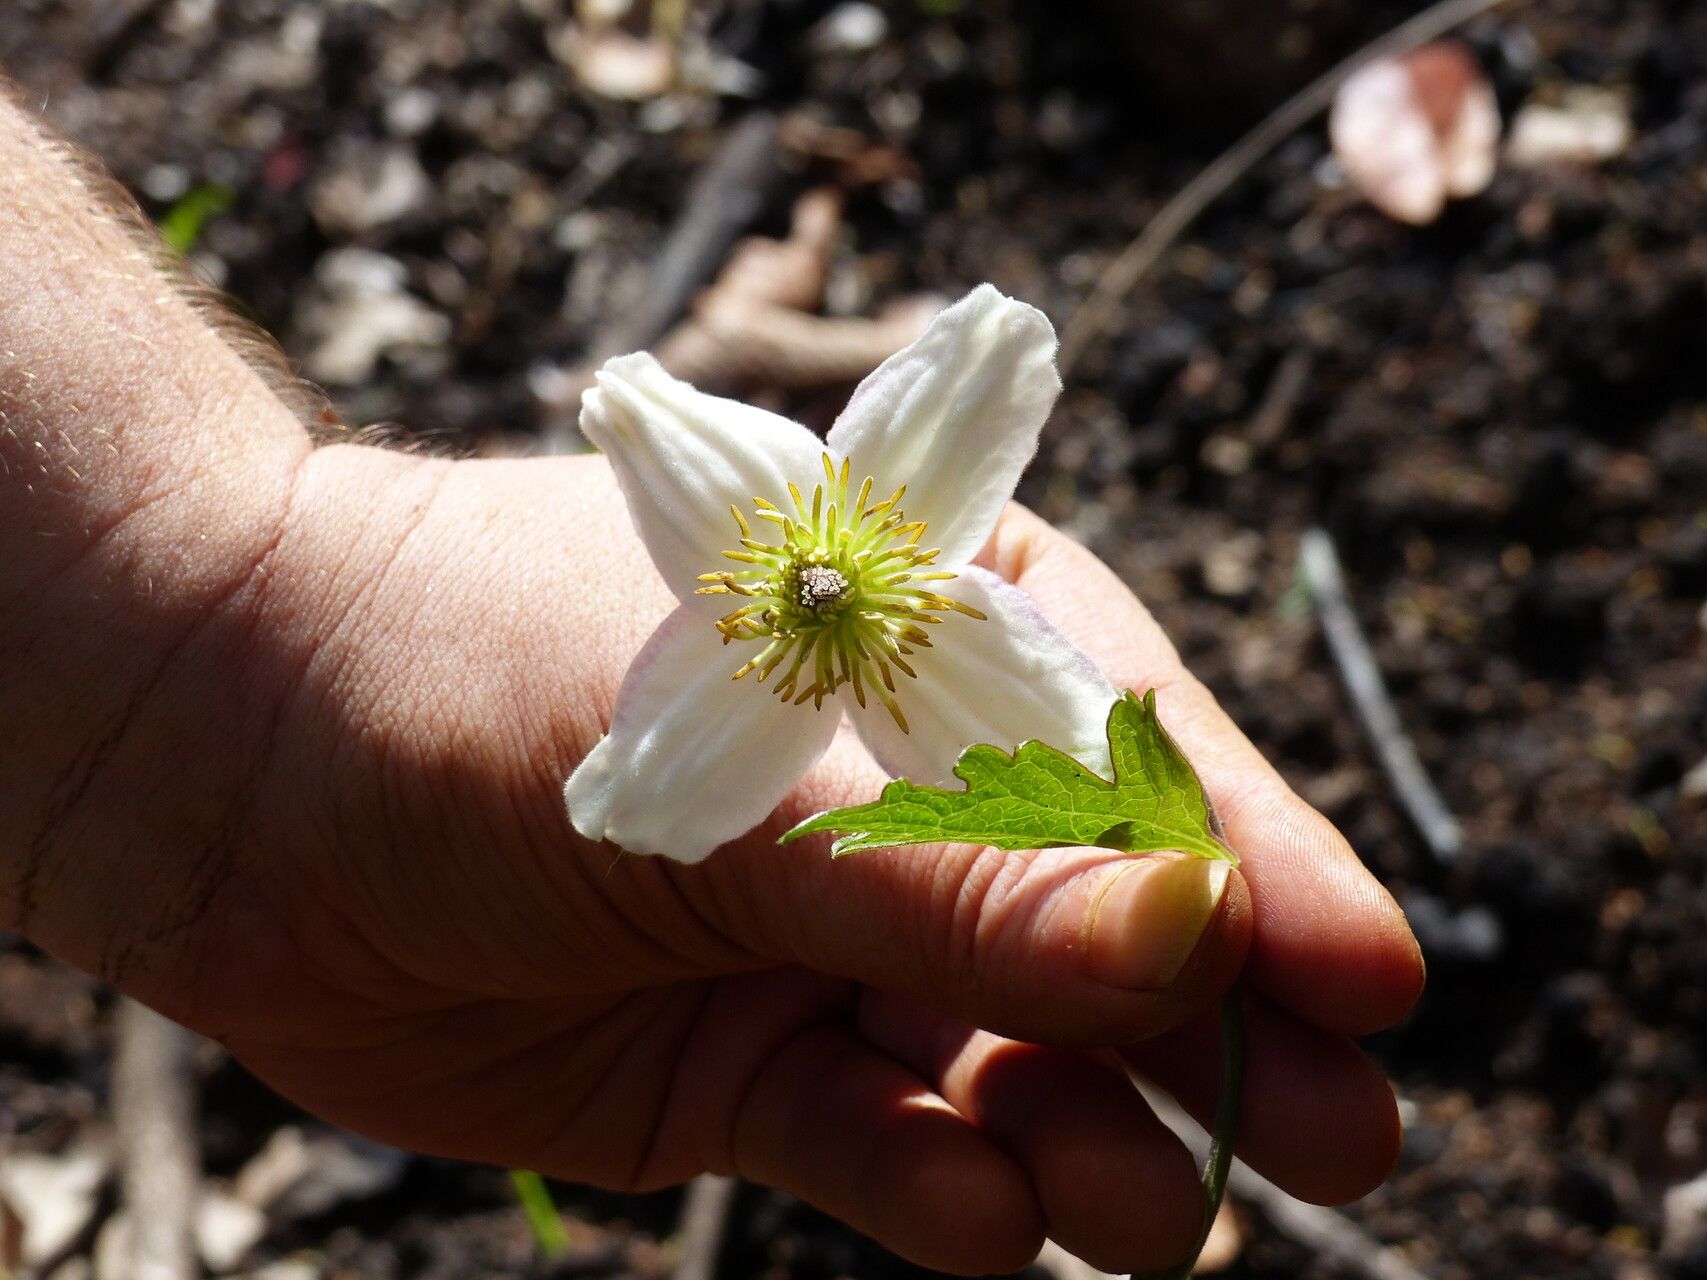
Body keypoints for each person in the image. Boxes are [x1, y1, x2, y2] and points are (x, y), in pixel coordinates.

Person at [0, 81, 1423, 1275]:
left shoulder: (947, 624)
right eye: (797, 574)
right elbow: (660, 705)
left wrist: (193, 682)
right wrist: (214, 668)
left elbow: (1031, 653)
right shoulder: (745, 646)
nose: (813, 582)